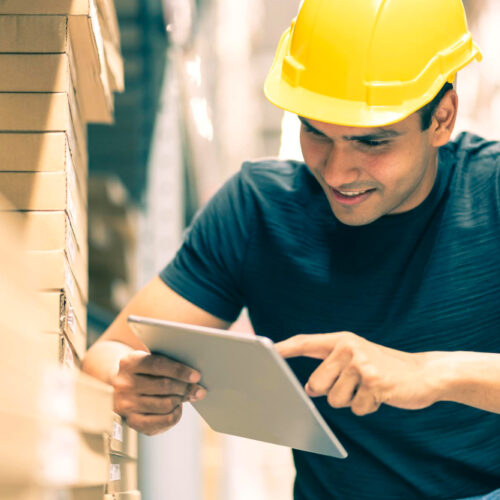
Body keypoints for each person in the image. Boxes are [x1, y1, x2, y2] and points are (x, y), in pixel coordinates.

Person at [83, 0, 500, 498]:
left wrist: (430, 372)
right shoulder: (257, 211)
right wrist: (130, 384)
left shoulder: (491, 194)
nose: (337, 172)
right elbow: (108, 354)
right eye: (315, 132)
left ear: (442, 118)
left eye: (371, 143)